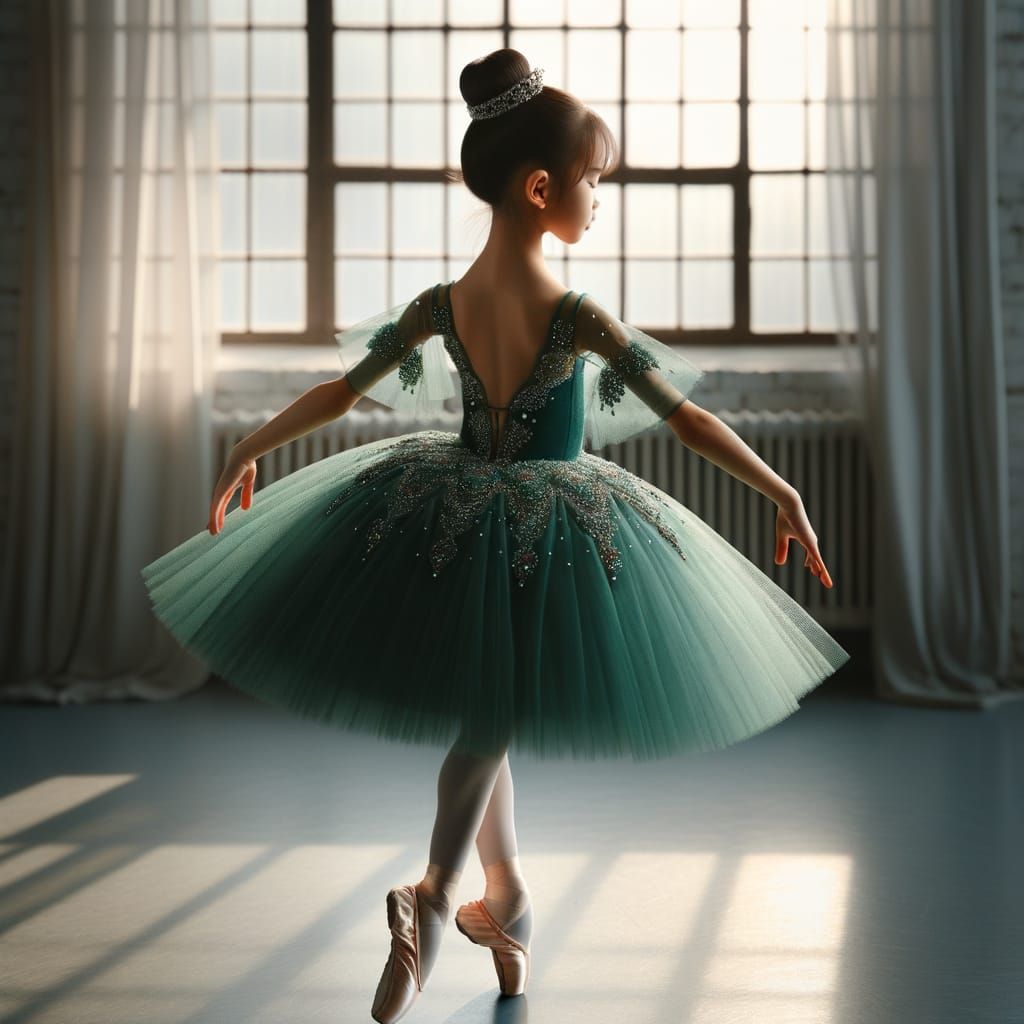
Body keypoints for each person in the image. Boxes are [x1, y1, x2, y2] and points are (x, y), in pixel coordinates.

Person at [141, 49, 851, 1024]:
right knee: (492, 715)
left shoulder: (446, 304)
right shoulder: (572, 313)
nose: (600, 197)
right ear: (540, 186)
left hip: (456, 507)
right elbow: (684, 419)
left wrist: (254, 442)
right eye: (595, 180)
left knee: (493, 708)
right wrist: (780, 489)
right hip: (548, 522)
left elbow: (338, 393)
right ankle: (435, 894)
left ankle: (505, 900)